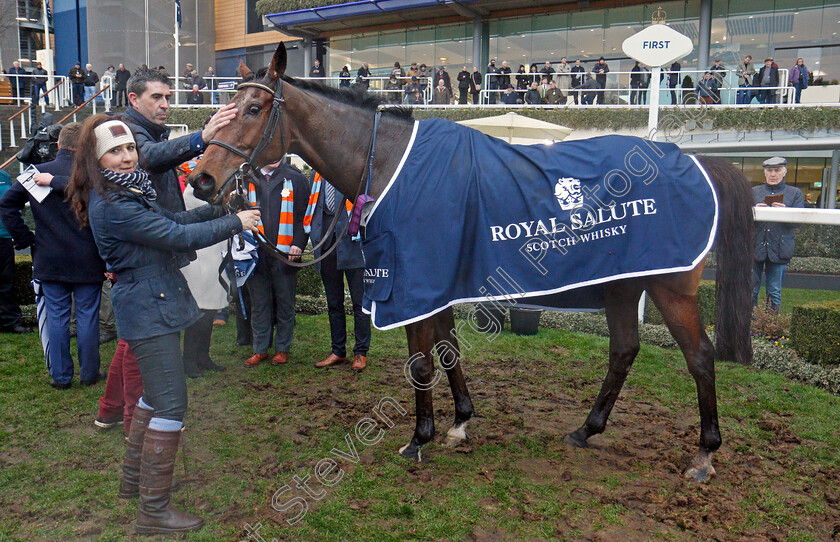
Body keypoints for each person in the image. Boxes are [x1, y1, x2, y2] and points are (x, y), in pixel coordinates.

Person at [66, 114, 260, 534]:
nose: (126, 156)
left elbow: (172, 223)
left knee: (154, 398)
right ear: (98, 159)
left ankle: (134, 484)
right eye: (115, 151)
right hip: (146, 308)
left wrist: (217, 209)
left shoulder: (124, 192)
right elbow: (174, 236)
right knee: (171, 403)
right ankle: (153, 510)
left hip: (150, 304)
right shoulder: (116, 204)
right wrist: (234, 222)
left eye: (130, 148)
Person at [0, 122, 105, 389]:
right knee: (87, 317)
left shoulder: (37, 172)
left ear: (58, 145)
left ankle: (60, 376)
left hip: (49, 257)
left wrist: (25, 239)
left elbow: (6, 205)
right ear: (84, 146)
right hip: (88, 258)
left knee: (56, 318)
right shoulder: (95, 175)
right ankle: (90, 373)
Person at [122, 67, 236, 213]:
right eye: (156, 97)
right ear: (134, 100)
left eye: (167, 98)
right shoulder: (125, 130)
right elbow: (148, 156)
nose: (165, 105)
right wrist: (201, 137)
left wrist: (225, 210)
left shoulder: (156, 131)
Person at [243, 161, 309, 368]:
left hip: (285, 253)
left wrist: (298, 243)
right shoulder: (245, 179)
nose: (274, 156)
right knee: (259, 304)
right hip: (256, 252)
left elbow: (304, 216)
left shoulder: (296, 178)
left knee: (285, 303)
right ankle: (260, 349)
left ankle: (282, 349)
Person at [307, 173, 370, 372]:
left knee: (359, 303)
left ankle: (361, 352)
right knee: (334, 303)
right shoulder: (315, 175)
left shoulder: (352, 169)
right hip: (325, 245)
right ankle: (338, 351)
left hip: (352, 245)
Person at [180, 184, 228, 377]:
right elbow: (198, 208)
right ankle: (189, 360)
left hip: (216, 252)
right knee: (199, 310)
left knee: (210, 309)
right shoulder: (193, 187)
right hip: (199, 254)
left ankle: (203, 356)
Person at [752, 156, 804, 312]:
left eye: (777, 170)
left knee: (774, 291)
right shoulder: (754, 192)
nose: (773, 174)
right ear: (765, 173)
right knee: (750, 291)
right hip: (755, 248)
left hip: (780, 249)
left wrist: (784, 213)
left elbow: (798, 222)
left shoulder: (795, 193)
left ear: (784, 172)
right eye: (769, 171)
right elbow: (742, 220)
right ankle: (749, 325)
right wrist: (755, 212)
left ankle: (771, 328)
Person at [0, 170, 27, 334]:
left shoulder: (4, 177)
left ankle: (10, 321)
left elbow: (13, 204)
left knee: (6, 280)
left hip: (3, 237)